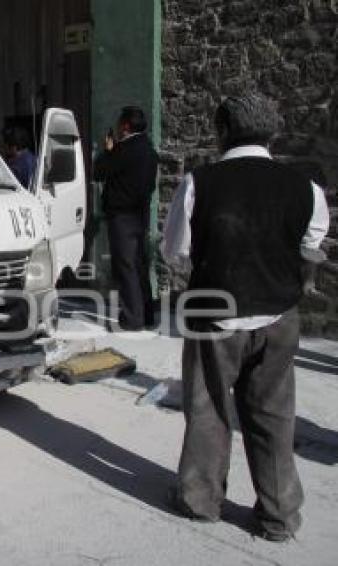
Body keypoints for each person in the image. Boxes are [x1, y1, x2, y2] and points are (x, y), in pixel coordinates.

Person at [162, 94, 330, 541]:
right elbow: (312, 244)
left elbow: (174, 250)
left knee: (208, 407)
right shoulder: (305, 187)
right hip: (278, 314)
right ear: (272, 131)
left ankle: (201, 500)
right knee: (273, 415)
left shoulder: (200, 183)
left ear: (222, 130)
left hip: (215, 314)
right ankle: (278, 516)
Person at [93, 106, 159, 330]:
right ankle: (148, 314)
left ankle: (132, 318)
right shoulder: (149, 150)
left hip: (122, 215)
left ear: (125, 126)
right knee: (140, 263)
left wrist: (109, 150)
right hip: (141, 213)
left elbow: (99, 171)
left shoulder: (124, 150)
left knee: (126, 266)